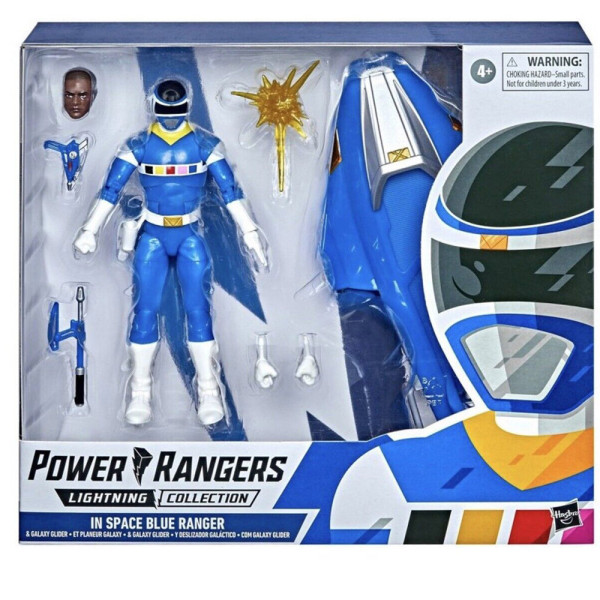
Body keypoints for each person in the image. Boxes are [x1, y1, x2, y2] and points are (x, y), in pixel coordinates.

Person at [74, 79, 267, 426]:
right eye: (166, 106)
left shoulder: (205, 144)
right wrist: (90, 229)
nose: (171, 113)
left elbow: (230, 190)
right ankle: (140, 391)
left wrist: (250, 232)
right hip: (153, 235)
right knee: (145, 311)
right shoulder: (139, 144)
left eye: (175, 106)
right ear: (155, 106)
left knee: (198, 311)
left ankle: (208, 389)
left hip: (190, 235)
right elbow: (111, 188)